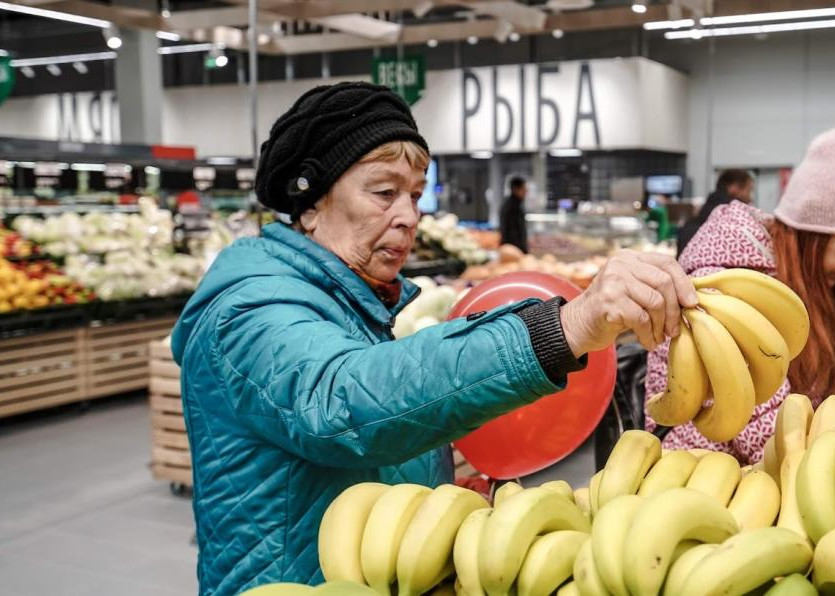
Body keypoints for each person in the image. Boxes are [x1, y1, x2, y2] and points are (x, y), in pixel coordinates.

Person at [170, 82, 697, 595]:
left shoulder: (353, 303)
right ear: (310, 203)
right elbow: (345, 402)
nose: (409, 217)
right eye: (384, 193)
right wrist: (565, 327)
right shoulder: (247, 310)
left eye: (415, 196)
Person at [648, 115, 835, 463]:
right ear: (813, 231)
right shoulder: (725, 280)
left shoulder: (817, 281)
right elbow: (751, 412)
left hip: (783, 466)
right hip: (702, 477)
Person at [676, 169, 754, 256]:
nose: (750, 198)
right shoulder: (733, 224)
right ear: (734, 189)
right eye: (749, 191)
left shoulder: (691, 224)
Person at [499, 176, 529, 253]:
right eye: (523, 189)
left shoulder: (515, 204)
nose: (526, 191)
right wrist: (522, 250)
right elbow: (512, 232)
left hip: (513, 249)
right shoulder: (512, 207)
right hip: (513, 250)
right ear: (515, 189)